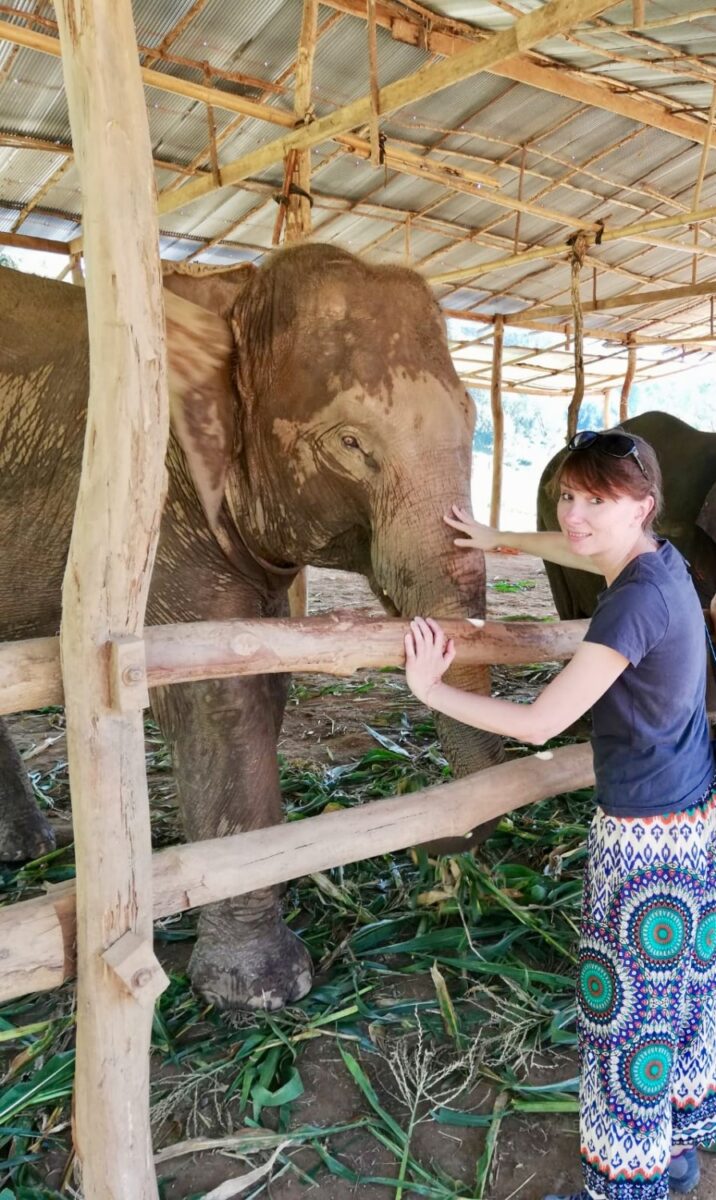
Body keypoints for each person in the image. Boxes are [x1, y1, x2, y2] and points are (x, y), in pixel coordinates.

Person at [403, 430, 716, 1200]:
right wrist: (495, 536)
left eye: (596, 501)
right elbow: (579, 546)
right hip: (690, 817)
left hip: (645, 837)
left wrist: (432, 692)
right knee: (677, 995)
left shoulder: (632, 606)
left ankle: (625, 1182)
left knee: (625, 1010)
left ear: (642, 505)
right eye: (568, 497)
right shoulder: (660, 560)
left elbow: (542, 723)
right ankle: (676, 1145)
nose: (576, 516)